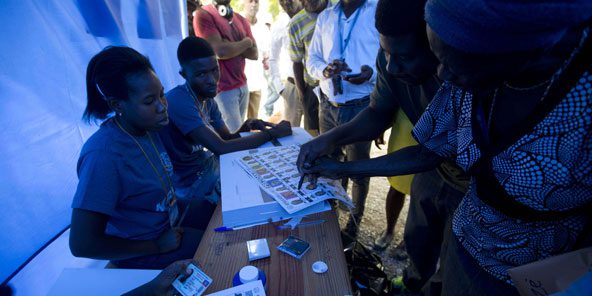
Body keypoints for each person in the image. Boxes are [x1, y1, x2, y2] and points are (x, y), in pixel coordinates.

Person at [302, 0, 592, 294]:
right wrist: (335, 152)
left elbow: (425, 153)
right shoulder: (462, 80)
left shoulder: (578, 99)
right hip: (465, 245)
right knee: (422, 251)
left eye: (449, 63)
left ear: (504, 52)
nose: (442, 76)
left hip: (535, 275)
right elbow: (429, 149)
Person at [70, 47, 207, 270]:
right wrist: (155, 245)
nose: (162, 106)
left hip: (170, 223)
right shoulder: (103, 157)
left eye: (162, 94)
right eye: (149, 101)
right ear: (117, 105)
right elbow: (82, 244)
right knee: (217, 246)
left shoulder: (149, 127)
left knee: (222, 214)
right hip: (142, 249)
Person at [158, 36, 292, 202]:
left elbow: (226, 138)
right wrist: (272, 134)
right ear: (184, 74)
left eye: (215, 70)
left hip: (209, 170)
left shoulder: (208, 101)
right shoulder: (178, 101)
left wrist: (246, 126)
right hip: (190, 186)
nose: (212, 80)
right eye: (201, 74)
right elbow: (221, 148)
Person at [306, 0, 379, 234]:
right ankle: (332, 212)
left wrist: (371, 74)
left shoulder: (376, 11)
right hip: (328, 105)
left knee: (358, 168)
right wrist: (325, 71)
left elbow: (390, 57)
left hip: (360, 106)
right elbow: (312, 60)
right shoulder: (326, 16)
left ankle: (354, 224)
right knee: (329, 161)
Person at [194, 0, 257, 132]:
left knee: (242, 134)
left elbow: (254, 54)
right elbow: (220, 51)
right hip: (222, 90)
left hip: (242, 85)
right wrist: (246, 41)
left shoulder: (240, 19)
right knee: (234, 139)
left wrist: (229, 45)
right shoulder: (204, 15)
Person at [288, 0, 328, 135]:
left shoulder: (338, 11)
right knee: (313, 136)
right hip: (312, 89)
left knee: (342, 141)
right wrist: (303, 95)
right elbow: (297, 61)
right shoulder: (296, 23)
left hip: (341, 87)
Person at [269, 0, 305, 126]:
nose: (287, 1)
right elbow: (273, 58)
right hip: (291, 87)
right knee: (290, 132)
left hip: (313, 86)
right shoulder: (279, 25)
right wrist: (280, 88)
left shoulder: (313, 18)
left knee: (314, 133)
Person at [243, 0, 268, 120]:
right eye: (250, 1)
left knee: (253, 122)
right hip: (240, 83)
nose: (253, 4)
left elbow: (266, 55)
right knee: (237, 126)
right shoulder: (236, 23)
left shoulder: (263, 28)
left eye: (256, 1)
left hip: (257, 82)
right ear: (244, 3)